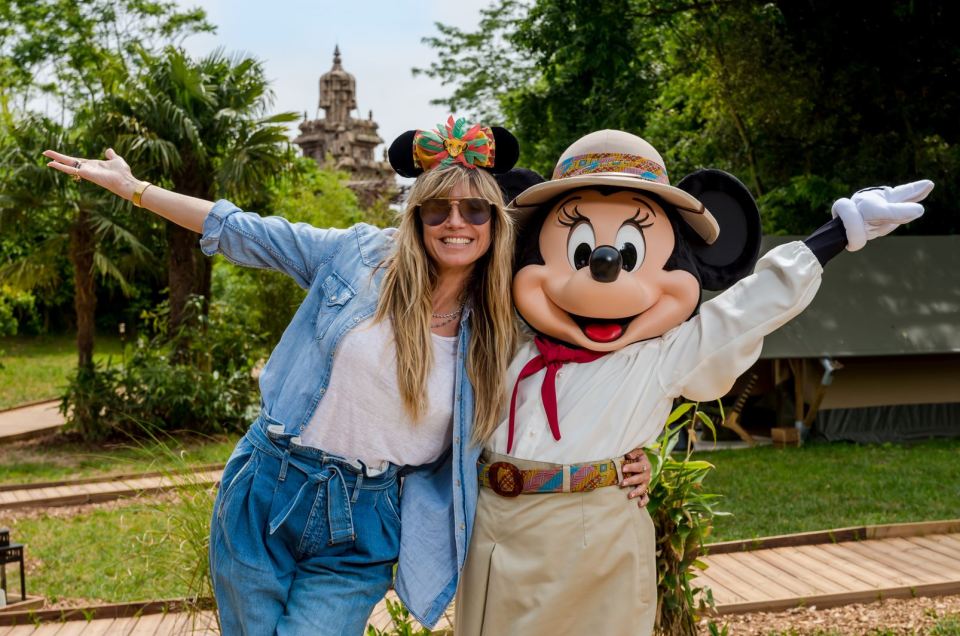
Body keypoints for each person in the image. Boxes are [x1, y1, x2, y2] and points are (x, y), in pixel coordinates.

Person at [456, 129, 932, 635]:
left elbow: (746, 309)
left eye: (628, 253)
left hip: (595, 537)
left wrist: (838, 232)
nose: (604, 268)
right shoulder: (501, 344)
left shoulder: (659, 358)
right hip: (496, 532)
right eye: (581, 251)